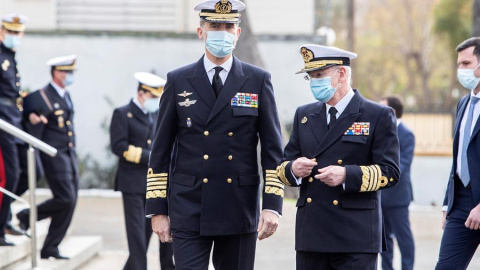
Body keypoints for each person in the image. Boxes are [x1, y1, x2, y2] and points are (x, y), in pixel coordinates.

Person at [146, 0, 284, 269]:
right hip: (188, 205)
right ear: (201, 32)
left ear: (238, 33)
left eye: (228, 26)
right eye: (214, 26)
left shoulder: (257, 80)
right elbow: (160, 150)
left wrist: (272, 205)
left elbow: (272, 150)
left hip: (238, 205)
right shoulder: (178, 80)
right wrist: (157, 209)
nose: (222, 31)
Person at [276, 44, 400, 270]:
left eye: (319, 75)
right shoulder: (304, 115)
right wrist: (293, 169)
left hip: (355, 234)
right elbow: (282, 166)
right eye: (310, 77)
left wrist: (346, 175)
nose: (314, 82)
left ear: (341, 73)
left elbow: (390, 173)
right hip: (311, 234)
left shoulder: (377, 115)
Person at [110, 72, 175, 270]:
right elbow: (118, 146)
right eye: (154, 97)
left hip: (154, 183)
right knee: (136, 236)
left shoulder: (156, 114)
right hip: (132, 182)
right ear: (141, 94)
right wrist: (150, 157)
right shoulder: (123, 113)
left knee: (146, 236)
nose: (156, 102)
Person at [16, 55, 79, 259]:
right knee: (65, 198)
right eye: (66, 72)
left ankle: (51, 247)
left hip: (68, 153)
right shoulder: (42, 96)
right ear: (56, 72)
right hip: (53, 155)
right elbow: (28, 122)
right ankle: (27, 215)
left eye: (71, 72)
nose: (69, 76)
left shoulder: (65, 94)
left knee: (71, 200)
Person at [436, 37, 480, 270]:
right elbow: (459, 159)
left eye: (465, 63)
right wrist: (447, 205)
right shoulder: (464, 103)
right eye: (459, 64)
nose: (460, 70)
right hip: (461, 202)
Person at [0, 13, 28, 246]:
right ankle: (1, 224)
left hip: (15, 121)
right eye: (10, 31)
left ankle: (5, 213)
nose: (14, 36)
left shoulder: (11, 56)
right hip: (3, 122)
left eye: (17, 32)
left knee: (30, 172)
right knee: (10, 175)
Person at [379, 96, 415, 270]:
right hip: (379, 196)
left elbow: (403, 165)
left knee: (403, 238)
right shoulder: (379, 131)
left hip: (398, 197)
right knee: (384, 239)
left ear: (392, 111)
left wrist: (378, 176)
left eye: (382, 107)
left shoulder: (407, 135)